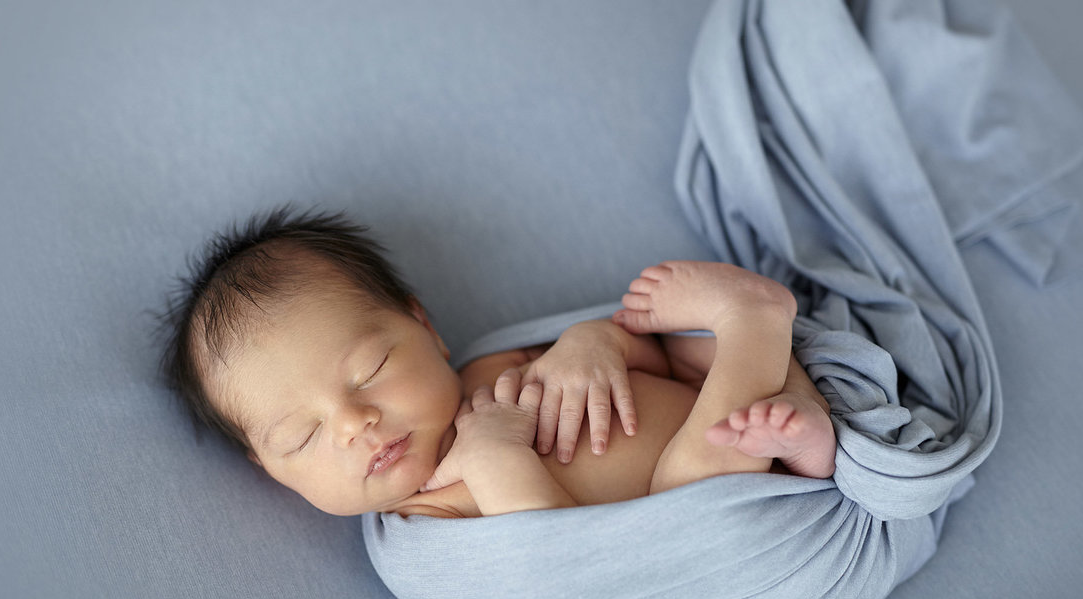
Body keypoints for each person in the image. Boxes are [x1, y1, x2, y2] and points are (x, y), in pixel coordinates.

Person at [158, 207, 836, 519]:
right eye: (300, 437)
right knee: (698, 481)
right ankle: (756, 325)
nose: (354, 423)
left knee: (681, 339)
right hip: (704, 490)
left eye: (368, 371)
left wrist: (591, 346)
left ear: (423, 327)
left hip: (702, 395)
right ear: (269, 471)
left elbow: (644, 354)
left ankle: (796, 415)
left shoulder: (489, 372)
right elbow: (552, 551)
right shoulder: (431, 517)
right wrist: (492, 455)